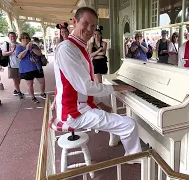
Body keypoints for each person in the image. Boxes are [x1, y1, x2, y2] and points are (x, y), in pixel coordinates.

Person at [54, 7, 142, 156]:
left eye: (93, 26)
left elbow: (82, 87)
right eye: (85, 23)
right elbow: (85, 86)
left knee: (108, 104)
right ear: (74, 22)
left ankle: (114, 138)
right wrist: (117, 87)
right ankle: (133, 156)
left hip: (80, 105)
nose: (89, 29)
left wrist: (98, 102)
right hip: (73, 113)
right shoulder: (67, 49)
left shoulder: (79, 46)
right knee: (130, 124)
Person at [15, 32, 46, 104]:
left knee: (42, 81)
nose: (25, 40)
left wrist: (31, 48)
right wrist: (26, 49)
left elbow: (39, 53)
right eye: (23, 38)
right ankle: (33, 97)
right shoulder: (19, 47)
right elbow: (19, 56)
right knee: (30, 84)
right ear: (21, 39)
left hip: (37, 67)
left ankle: (42, 93)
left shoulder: (34, 45)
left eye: (27, 38)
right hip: (26, 69)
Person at [2, 32, 24, 99]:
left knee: (19, 79)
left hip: (20, 64)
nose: (13, 38)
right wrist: (11, 51)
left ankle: (16, 90)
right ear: (9, 37)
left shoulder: (19, 45)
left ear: (16, 37)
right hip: (12, 65)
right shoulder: (6, 44)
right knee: (15, 79)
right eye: (11, 36)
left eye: (14, 36)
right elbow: (4, 54)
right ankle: (19, 92)